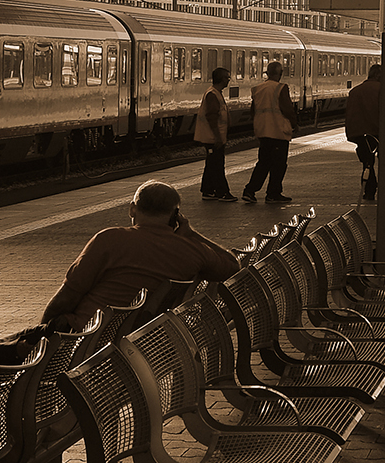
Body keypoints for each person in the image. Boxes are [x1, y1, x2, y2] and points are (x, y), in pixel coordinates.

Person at [39, 180, 242, 330]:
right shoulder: (193, 250)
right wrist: (191, 233)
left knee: (9, 346)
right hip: (147, 341)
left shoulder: (109, 239)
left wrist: (41, 332)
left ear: (132, 209)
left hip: (85, 338)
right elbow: (233, 266)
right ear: (175, 216)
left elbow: (67, 297)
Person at [241, 61, 299, 204]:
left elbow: (253, 110)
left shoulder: (257, 88)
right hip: (278, 131)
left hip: (263, 131)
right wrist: (295, 124)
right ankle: (273, 193)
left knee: (263, 163)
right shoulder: (281, 88)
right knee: (279, 164)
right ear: (280, 74)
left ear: (267, 73)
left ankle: (250, 191)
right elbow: (287, 109)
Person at [195, 66, 236, 201]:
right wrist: (218, 136)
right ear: (220, 79)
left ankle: (207, 190)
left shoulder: (215, 93)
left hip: (214, 136)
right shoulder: (212, 94)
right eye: (227, 77)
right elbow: (212, 116)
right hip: (212, 137)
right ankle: (222, 192)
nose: (228, 80)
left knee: (212, 164)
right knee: (217, 165)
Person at [344, 64, 381, 201]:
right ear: (377, 75)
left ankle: (369, 191)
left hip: (359, 133)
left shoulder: (355, 91)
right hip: (378, 132)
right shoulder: (382, 89)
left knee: (367, 164)